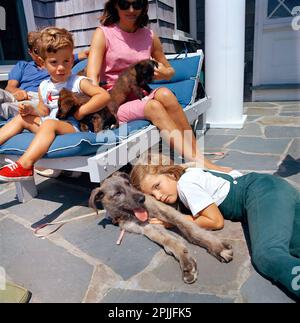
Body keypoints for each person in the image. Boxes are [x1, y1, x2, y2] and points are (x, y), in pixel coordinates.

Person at [87, 0, 231, 173]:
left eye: (137, 4)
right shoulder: (103, 34)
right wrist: (98, 109)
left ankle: (197, 156)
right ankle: (200, 162)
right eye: (125, 4)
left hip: (140, 94)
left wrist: (163, 73)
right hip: (115, 102)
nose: (131, 10)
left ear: (144, 7)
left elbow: (169, 70)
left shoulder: (149, 36)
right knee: (153, 106)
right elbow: (92, 78)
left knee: (165, 93)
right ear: (116, 5)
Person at [130, 153, 300, 299]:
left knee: (268, 253)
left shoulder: (185, 185)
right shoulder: (189, 173)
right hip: (272, 187)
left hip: (260, 192)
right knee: (293, 243)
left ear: (170, 174)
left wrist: (173, 221)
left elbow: (215, 221)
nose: (158, 196)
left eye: (157, 186)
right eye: (152, 195)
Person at [0, 27, 110, 182]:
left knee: (50, 124)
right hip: (48, 123)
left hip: (72, 126)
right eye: (53, 62)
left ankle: (25, 165)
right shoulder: (44, 86)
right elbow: (43, 111)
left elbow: (103, 96)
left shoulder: (78, 82)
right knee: (21, 119)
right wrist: (31, 110)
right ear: (43, 63)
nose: (60, 67)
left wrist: (82, 111)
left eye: (66, 61)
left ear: (72, 60)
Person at [0, 31, 89, 119]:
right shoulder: (22, 65)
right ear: (29, 52)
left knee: (6, 107)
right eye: (36, 50)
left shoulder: (57, 62)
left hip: (38, 98)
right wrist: (18, 91)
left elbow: (84, 54)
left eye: (43, 49)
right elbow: (9, 87)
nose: (40, 53)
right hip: (18, 94)